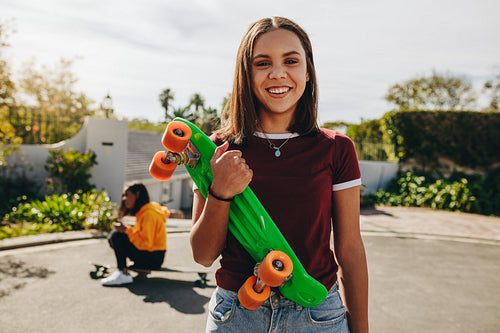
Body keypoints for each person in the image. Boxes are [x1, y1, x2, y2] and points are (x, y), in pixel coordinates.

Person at [190, 17, 369, 332]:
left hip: (317, 316)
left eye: (291, 60)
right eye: (262, 63)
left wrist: (362, 329)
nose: (277, 73)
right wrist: (220, 191)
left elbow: (350, 249)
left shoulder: (337, 148)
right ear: (246, 73)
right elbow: (203, 255)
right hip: (237, 315)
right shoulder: (215, 149)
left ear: (307, 71)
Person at [101, 183, 170, 286]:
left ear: (137, 194)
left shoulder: (149, 214)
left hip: (153, 259)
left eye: (127, 195)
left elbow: (146, 244)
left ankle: (123, 273)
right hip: (153, 256)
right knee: (115, 236)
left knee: (116, 236)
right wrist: (127, 230)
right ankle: (123, 271)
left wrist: (127, 230)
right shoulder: (145, 211)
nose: (124, 199)